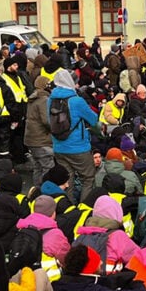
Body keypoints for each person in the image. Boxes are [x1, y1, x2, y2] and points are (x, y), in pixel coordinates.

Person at [50, 68, 98, 201]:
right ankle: (84, 208)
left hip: (59, 146)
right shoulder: (76, 101)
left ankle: (69, 209)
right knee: (88, 177)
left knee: (67, 180)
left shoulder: (50, 100)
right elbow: (93, 119)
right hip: (78, 147)